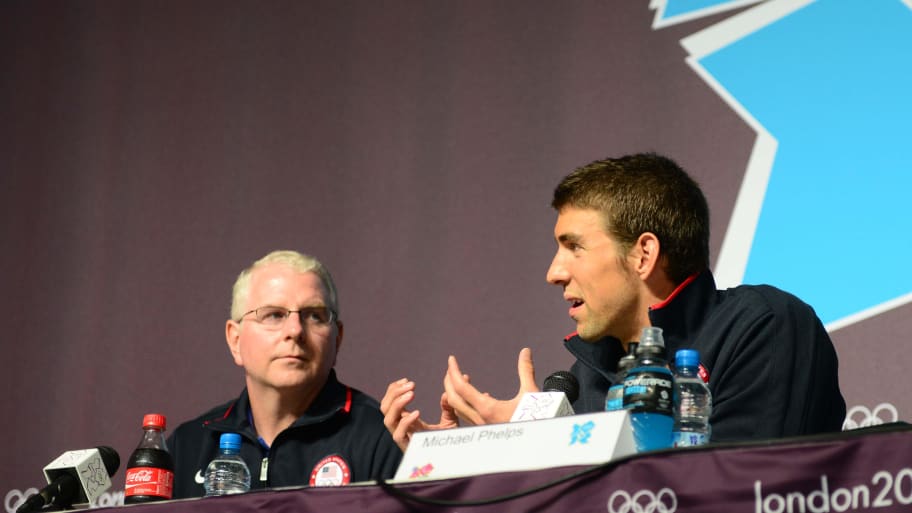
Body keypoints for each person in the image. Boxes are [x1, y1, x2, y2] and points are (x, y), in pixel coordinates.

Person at [382, 152, 846, 448]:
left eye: (574, 246)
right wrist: (461, 466)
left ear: (643, 253)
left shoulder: (764, 325)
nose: (553, 272)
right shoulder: (583, 380)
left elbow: (743, 491)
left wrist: (544, 444)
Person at [169, 250, 402, 498]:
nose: (295, 330)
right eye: (273, 315)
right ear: (235, 340)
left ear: (338, 340)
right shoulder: (187, 446)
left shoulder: (382, 437)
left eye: (314, 315)